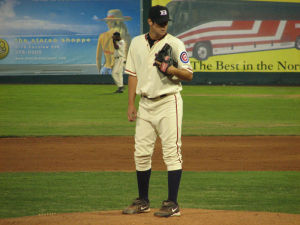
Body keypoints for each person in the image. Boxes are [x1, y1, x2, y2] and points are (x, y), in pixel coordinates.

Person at [123, 5, 193, 217]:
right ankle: (143, 200)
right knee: (141, 153)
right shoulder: (136, 43)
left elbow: (188, 74)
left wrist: (170, 69)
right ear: (150, 22)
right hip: (145, 103)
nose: (164, 26)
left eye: (166, 23)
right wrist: (131, 103)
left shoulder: (174, 43)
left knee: (172, 152)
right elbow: (133, 74)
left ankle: (173, 203)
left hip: (168, 102)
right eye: (160, 23)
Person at [96, 9, 131, 75]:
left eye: (107, 21)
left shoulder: (102, 36)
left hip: (105, 69)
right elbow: (126, 58)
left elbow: (98, 58)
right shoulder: (125, 36)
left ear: (113, 22)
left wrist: (99, 71)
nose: (106, 23)